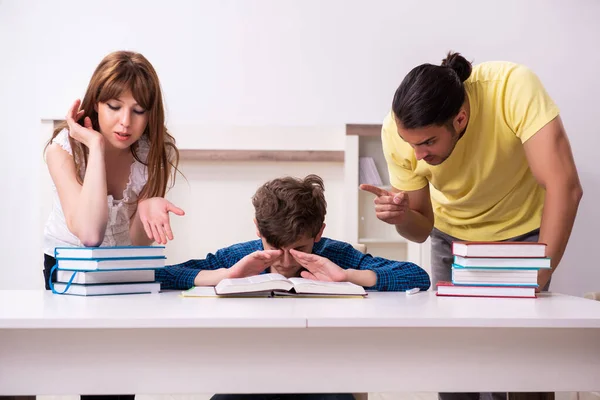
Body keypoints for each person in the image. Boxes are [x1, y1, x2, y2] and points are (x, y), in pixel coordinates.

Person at [362, 51, 582, 400]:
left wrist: (536, 275)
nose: (418, 155)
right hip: (453, 242)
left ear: (460, 119)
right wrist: (401, 217)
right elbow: (420, 229)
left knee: (523, 371)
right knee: (455, 366)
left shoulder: (512, 88)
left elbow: (565, 186)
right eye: (411, 144)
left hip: (522, 237)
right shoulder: (399, 132)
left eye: (429, 142)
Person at [157, 174, 430, 400]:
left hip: (324, 377)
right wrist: (224, 275)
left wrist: (348, 276)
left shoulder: (336, 255)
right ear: (258, 231)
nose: (286, 260)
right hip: (251, 375)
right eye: (274, 248)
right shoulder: (241, 256)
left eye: (299, 249)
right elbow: (162, 274)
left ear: (319, 233)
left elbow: (417, 276)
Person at [42, 50, 184, 400]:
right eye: (114, 107)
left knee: (120, 379)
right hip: (69, 267)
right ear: (95, 103)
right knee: (82, 374)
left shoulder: (154, 150)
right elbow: (89, 234)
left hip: (122, 267)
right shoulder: (62, 150)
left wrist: (149, 206)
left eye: (138, 111)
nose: (125, 123)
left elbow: (137, 242)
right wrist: (95, 147)